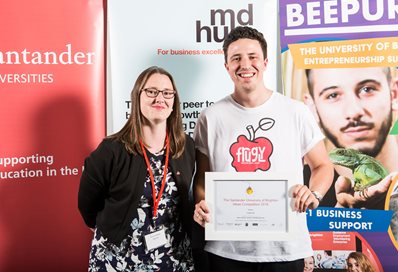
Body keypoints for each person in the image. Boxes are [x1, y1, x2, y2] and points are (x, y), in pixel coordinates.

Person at [192, 26, 334, 272]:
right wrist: (202, 203)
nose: (245, 64)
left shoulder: (295, 111)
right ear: (227, 66)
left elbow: (322, 165)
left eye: (252, 56)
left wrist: (315, 194)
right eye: (236, 58)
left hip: (286, 248)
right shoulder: (210, 117)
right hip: (226, 249)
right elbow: (202, 177)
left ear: (265, 62)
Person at [78, 66, 195, 271]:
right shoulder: (111, 150)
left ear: (174, 101)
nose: (160, 98)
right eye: (151, 91)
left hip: (174, 257)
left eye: (167, 93)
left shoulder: (185, 147)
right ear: (137, 96)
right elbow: (88, 206)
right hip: (119, 259)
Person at [304, 67, 398, 209]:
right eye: (333, 95)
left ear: (394, 94)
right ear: (312, 108)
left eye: (367, 89)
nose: (353, 112)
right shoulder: (300, 183)